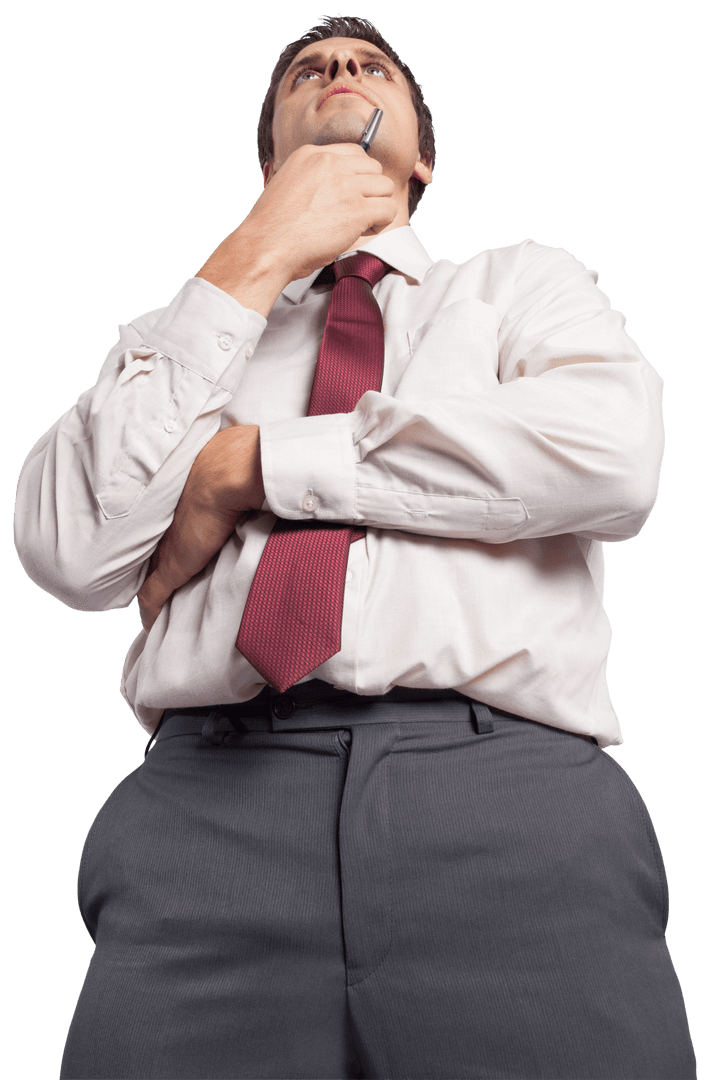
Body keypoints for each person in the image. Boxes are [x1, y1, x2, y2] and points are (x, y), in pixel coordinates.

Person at [13, 14, 697, 1080]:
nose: (337, 70)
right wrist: (253, 255)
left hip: (511, 811)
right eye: (307, 72)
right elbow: (67, 549)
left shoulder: (518, 288)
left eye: (369, 66)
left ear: (421, 154)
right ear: (271, 152)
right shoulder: (177, 345)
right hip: (208, 813)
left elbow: (609, 460)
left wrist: (246, 468)